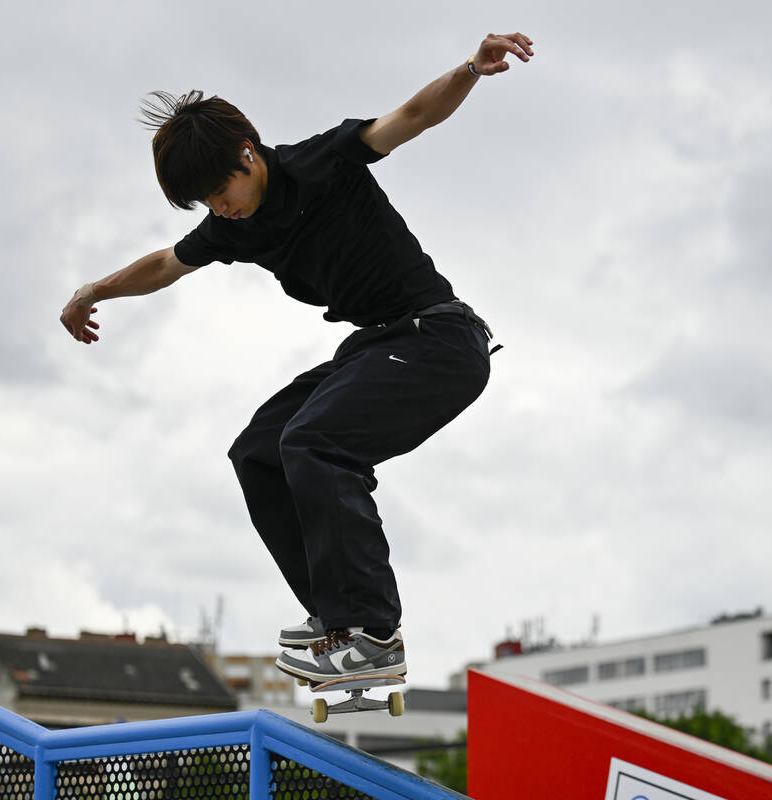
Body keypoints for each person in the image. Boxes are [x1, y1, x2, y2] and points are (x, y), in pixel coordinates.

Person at [60, 32, 534, 683]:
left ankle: (370, 633)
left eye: (219, 189)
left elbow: (412, 117)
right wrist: (93, 291)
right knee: (259, 450)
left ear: (248, 154)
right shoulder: (232, 227)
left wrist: (471, 70)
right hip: (380, 343)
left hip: (438, 340)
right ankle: (339, 630)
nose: (218, 207)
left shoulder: (323, 161)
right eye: (203, 202)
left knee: (313, 441)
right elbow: (165, 265)